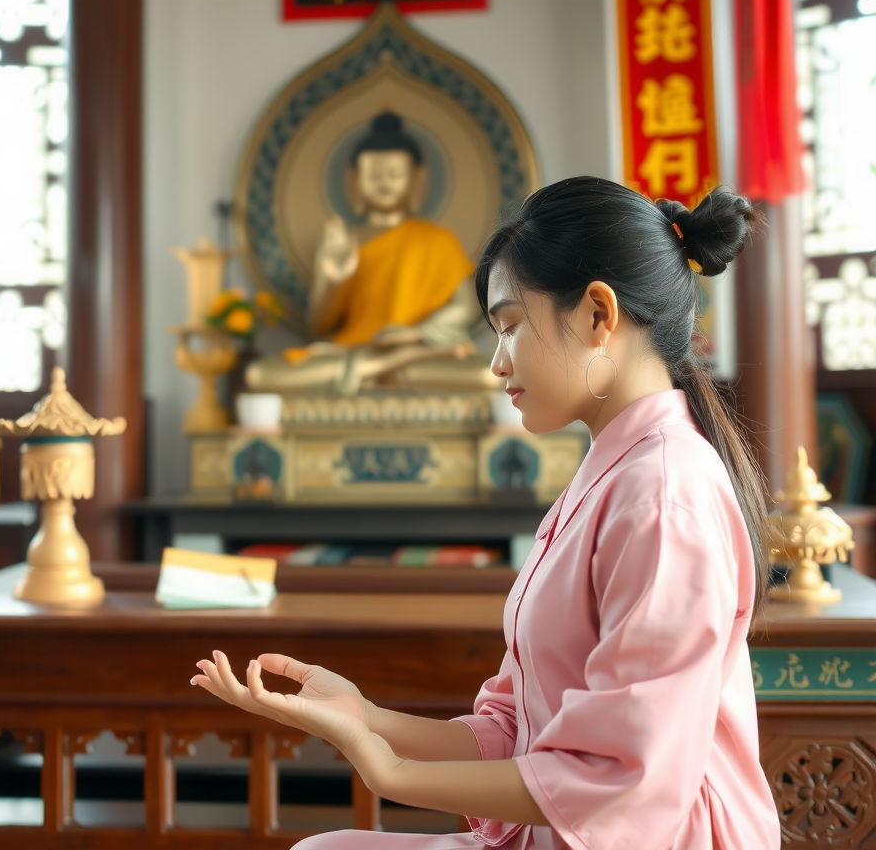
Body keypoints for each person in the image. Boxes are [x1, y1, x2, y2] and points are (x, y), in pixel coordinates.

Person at [192, 176, 782, 850]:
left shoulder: (662, 493)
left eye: (508, 327)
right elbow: (516, 731)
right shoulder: (611, 473)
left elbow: (624, 777)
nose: (497, 364)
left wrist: (394, 772)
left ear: (598, 314)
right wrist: (365, 715)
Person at [245, 111, 499, 395]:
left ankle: (377, 369)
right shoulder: (344, 243)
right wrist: (331, 279)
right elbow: (318, 327)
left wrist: (416, 334)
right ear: (354, 179)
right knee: (259, 374)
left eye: (395, 174)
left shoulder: (439, 240)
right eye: (374, 174)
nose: (384, 182)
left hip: (420, 350)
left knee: (486, 375)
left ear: (417, 179)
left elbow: (466, 306)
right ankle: (382, 367)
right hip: (355, 350)